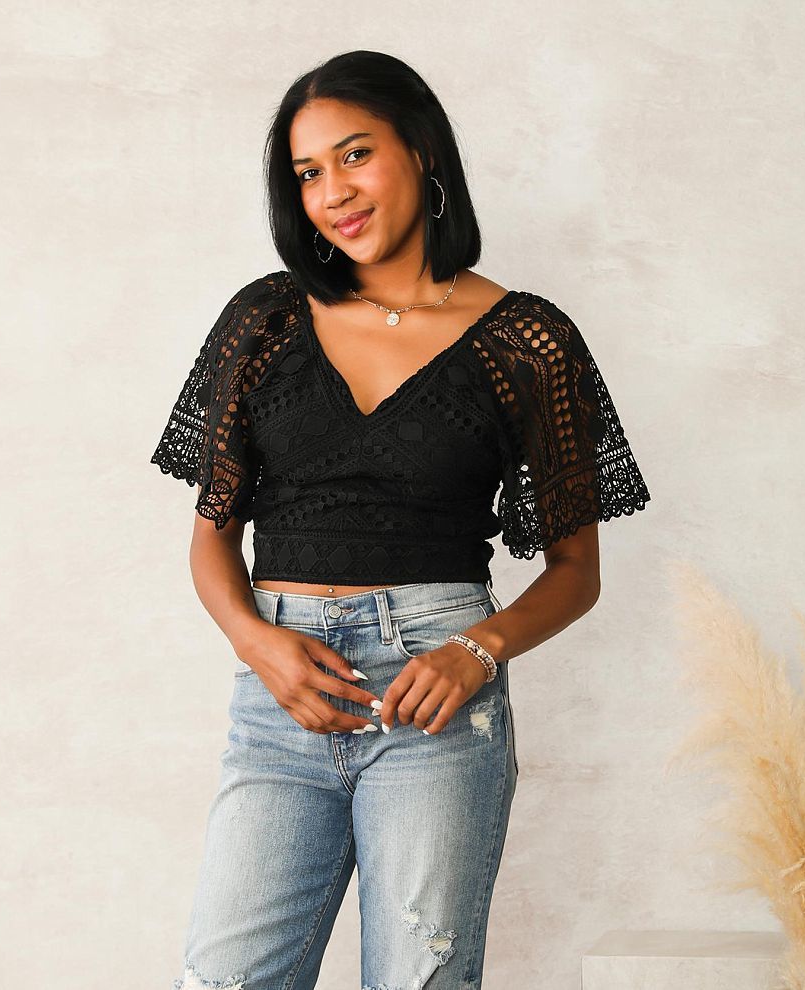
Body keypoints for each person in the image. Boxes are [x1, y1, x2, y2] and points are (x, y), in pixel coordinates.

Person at [151, 49, 651, 990]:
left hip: (437, 698)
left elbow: (576, 571)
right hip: (281, 694)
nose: (333, 192)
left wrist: (477, 650)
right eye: (308, 173)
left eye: (354, 155)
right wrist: (257, 644)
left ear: (420, 148)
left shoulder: (527, 340)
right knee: (225, 976)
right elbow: (211, 533)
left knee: (419, 980)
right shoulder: (264, 318)